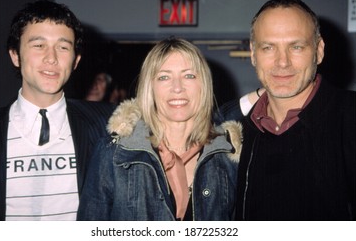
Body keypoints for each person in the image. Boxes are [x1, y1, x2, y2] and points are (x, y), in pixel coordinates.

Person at [0, 0, 115, 220]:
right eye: (39, 45)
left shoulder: (108, 126)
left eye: (63, 47)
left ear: (75, 61)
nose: (52, 58)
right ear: (15, 55)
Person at [77, 37, 244, 221]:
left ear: (204, 85)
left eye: (189, 75)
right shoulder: (112, 154)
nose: (177, 88)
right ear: (150, 88)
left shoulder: (230, 156)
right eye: (164, 77)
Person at [230, 0, 356, 220]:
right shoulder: (237, 135)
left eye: (296, 47)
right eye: (268, 47)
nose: (282, 62)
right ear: (253, 53)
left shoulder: (352, 118)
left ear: (319, 51)